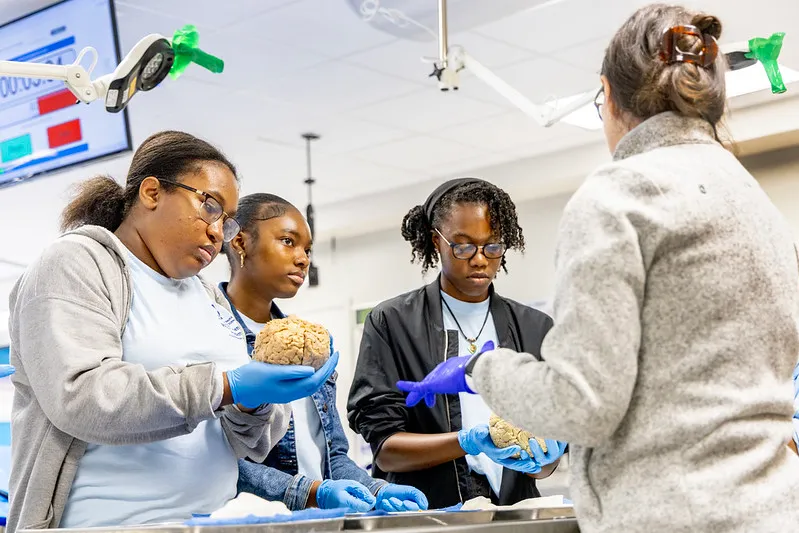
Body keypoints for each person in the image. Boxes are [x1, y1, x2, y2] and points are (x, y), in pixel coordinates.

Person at [395, 5, 799, 532]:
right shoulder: (754, 200)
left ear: (607, 97)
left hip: (672, 514)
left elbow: (582, 405)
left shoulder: (618, 197)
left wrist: (478, 372)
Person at [6, 131, 337, 533]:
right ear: (151, 193)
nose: (219, 233)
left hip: (213, 522)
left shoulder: (208, 299)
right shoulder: (77, 263)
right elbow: (82, 396)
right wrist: (226, 386)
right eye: (209, 206)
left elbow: (246, 444)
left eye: (227, 221)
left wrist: (254, 402)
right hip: (108, 525)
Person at [347, 178, 563, 510]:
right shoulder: (392, 322)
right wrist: (467, 442)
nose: (479, 260)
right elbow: (387, 450)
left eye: (492, 246)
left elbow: (548, 459)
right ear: (437, 241)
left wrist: (545, 458)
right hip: (430, 515)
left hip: (514, 515)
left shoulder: (535, 327)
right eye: (463, 246)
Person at [220, 193, 428, 513]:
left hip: (319, 520)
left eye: (307, 249)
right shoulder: (211, 337)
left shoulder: (312, 344)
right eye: (288, 241)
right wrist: (311, 492)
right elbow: (213, 461)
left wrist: (377, 488)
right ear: (239, 242)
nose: (303, 259)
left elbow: (332, 456)